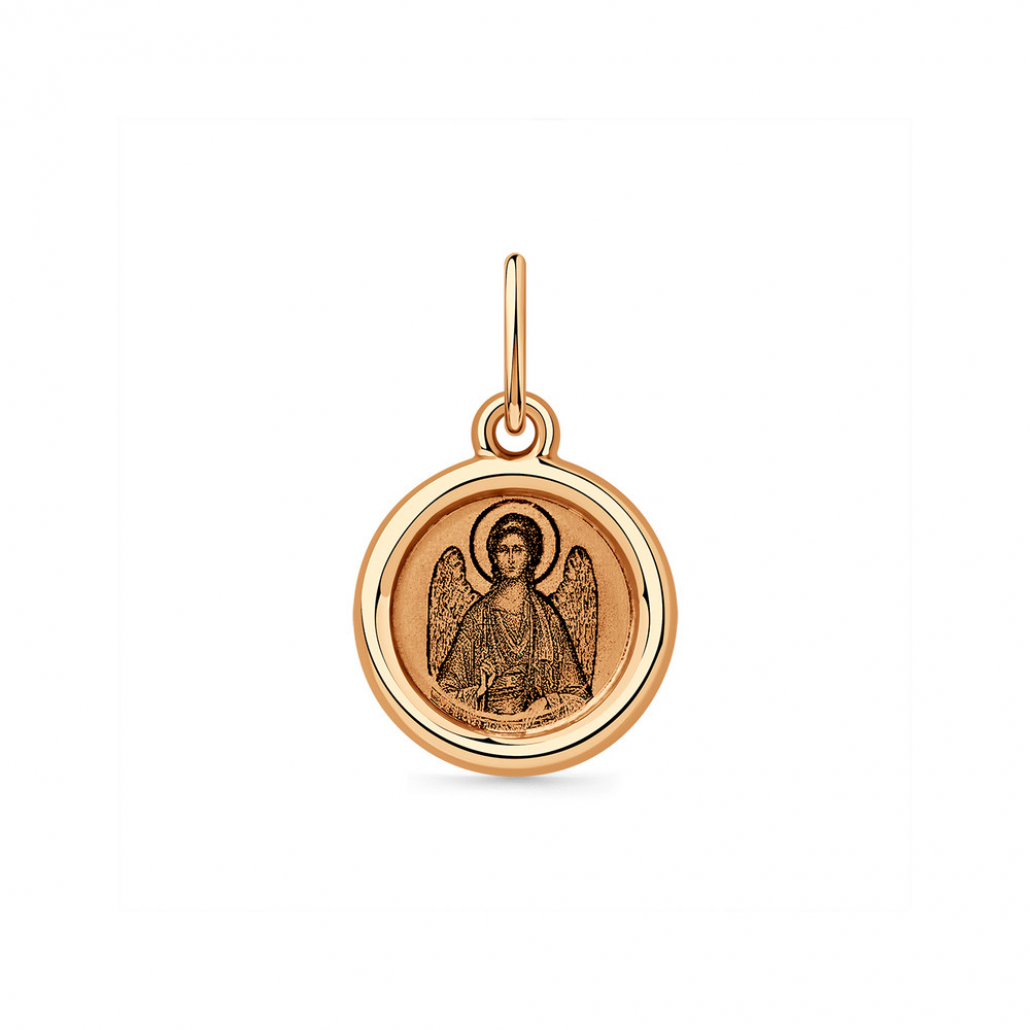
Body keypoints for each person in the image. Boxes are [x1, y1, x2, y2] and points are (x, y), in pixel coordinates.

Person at [436, 513, 589, 720]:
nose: (510, 559)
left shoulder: (547, 617)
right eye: (503, 550)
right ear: (493, 556)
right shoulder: (477, 617)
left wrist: (547, 702)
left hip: (536, 727)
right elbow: (443, 697)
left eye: (518, 550)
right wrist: (479, 691)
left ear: (530, 555)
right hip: (486, 728)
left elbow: (579, 697)